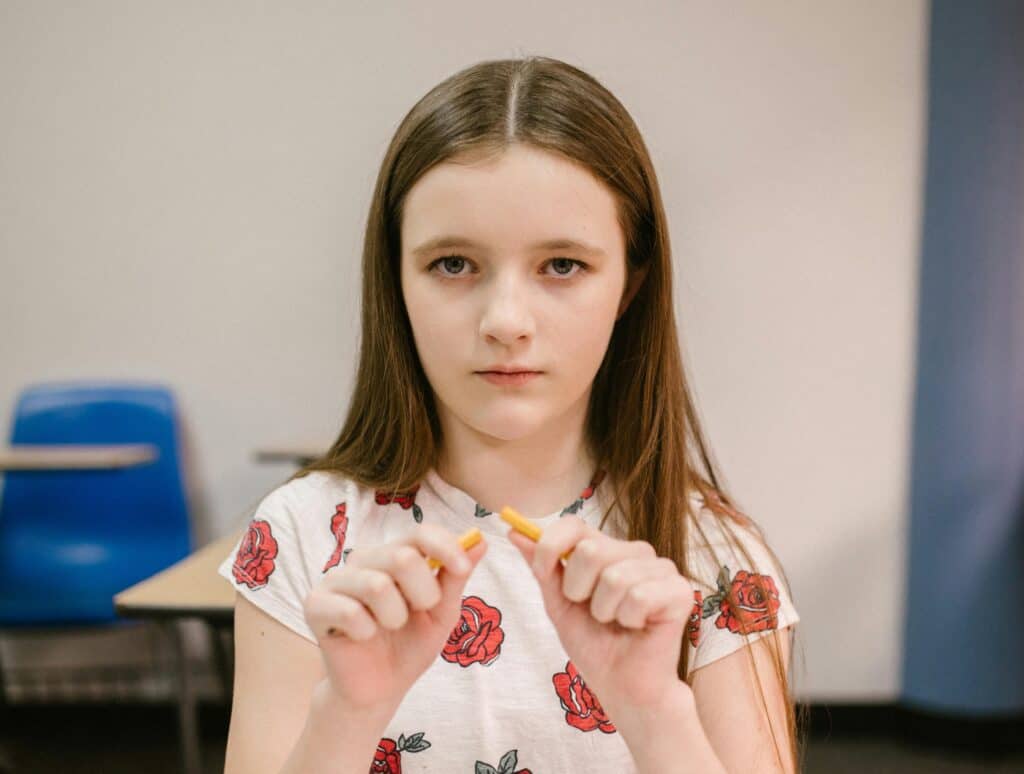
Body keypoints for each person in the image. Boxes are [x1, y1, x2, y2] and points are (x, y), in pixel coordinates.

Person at [218, 55, 804, 774]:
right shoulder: (302, 536)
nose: (506, 320)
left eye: (562, 265)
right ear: (394, 279)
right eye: (454, 265)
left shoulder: (715, 558)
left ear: (630, 284)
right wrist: (348, 711)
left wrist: (654, 711)